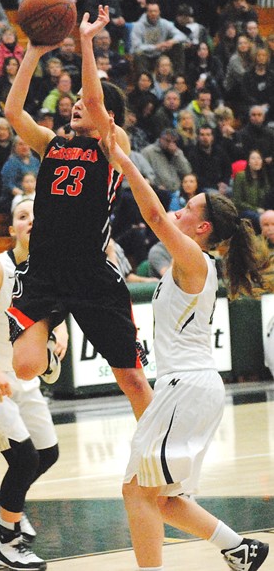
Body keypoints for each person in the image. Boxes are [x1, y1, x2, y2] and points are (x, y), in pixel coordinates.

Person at [104, 115, 270, 571]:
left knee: (136, 491)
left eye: (190, 207)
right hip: (190, 388)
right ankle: (240, 548)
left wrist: (123, 161)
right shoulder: (193, 264)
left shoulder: (194, 258)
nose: (180, 208)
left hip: (188, 388)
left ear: (201, 228)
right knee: (166, 500)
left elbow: (154, 215)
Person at [4, 5, 153, 421]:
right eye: (73, 105)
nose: (76, 107)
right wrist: (33, 51)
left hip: (91, 273)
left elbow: (93, 96)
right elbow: (14, 112)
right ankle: (52, 339)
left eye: (86, 106)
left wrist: (86, 43)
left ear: (108, 116)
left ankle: (166, 467)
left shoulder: (112, 147)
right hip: (46, 269)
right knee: (25, 367)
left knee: (134, 381)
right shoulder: (51, 143)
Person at [0, 198, 65, 571]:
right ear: (13, 229)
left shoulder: (49, 270)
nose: (31, 222)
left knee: (48, 453)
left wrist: (60, 332)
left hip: (22, 376)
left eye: (37, 217)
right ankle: (6, 543)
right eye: (23, 217)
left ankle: (3, 498)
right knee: (23, 459)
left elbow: (50, 313)